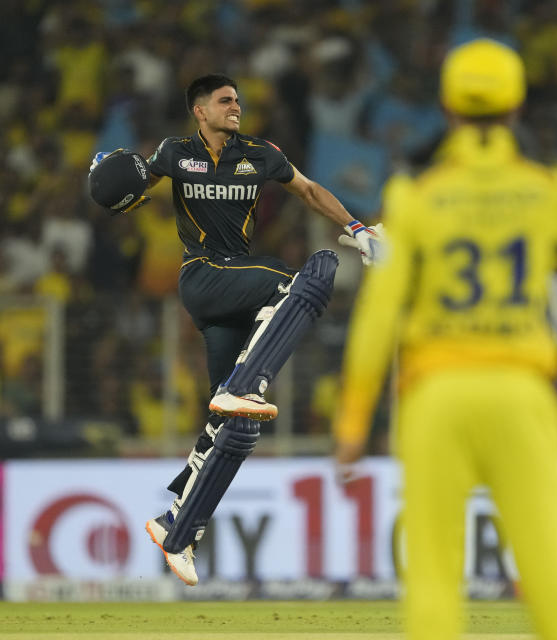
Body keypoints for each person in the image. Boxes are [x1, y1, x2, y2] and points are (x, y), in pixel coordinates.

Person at [333, 39, 557, 640]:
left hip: (436, 399)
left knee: (433, 586)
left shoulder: (415, 196)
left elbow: (378, 312)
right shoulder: (548, 186)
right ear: (517, 109)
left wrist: (354, 422)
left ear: (448, 110)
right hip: (521, 393)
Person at [89, 73, 381, 586]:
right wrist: (112, 181)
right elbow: (133, 190)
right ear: (199, 110)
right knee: (302, 280)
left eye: (238, 100)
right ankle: (246, 386)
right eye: (225, 101)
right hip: (202, 274)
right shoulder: (174, 152)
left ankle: (176, 529)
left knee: (234, 427)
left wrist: (356, 228)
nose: (236, 107)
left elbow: (309, 191)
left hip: (235, 286)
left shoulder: (260, 153)